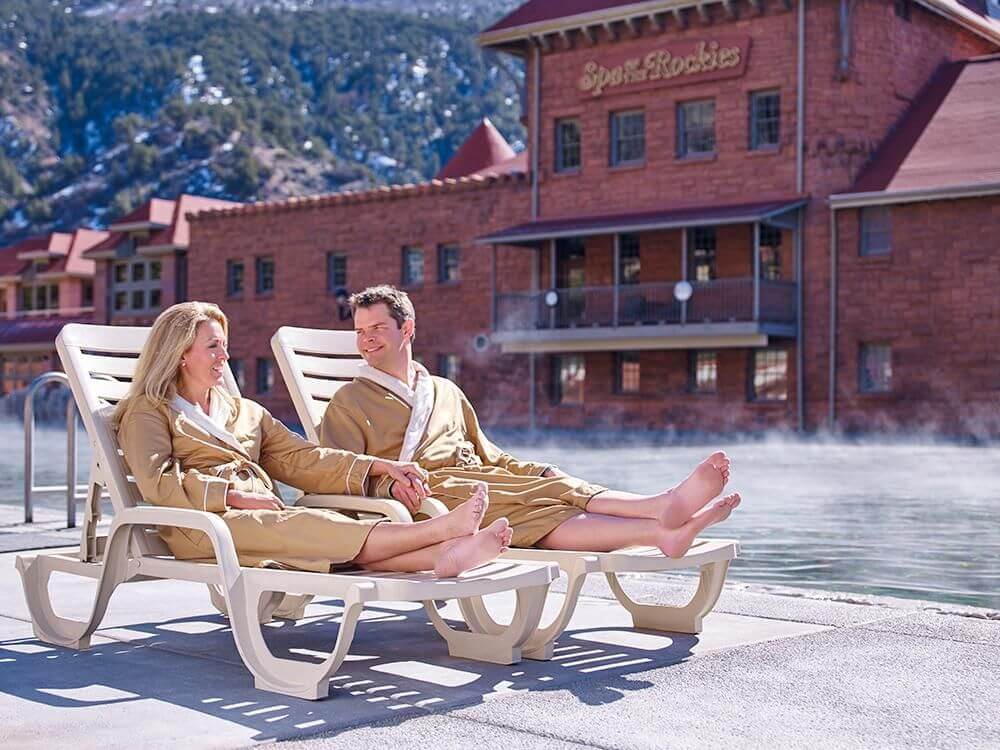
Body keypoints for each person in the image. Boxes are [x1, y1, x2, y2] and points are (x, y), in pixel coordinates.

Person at [318, 285, 741, 559]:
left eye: (377, 327)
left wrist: (536, 469)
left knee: (550, 486)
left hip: (477, 478)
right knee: (531, 502)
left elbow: (488, 453)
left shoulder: (443, 389)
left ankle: (661, 522)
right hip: (430, 494)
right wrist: (393, 484)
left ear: (406, 329)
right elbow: (339, 474)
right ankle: (659, 518)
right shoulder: (348, 401)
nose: (367, 339)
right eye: (360, 331)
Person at [115, 301, 512, 578]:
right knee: (307, 523)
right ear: (180, 353)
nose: (226, 356)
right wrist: (231, 496)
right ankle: (437, 532)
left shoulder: (244, 412)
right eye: (214, 346)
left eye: (224, 345)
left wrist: (377, 465)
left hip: (261, 519)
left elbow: (303, 458)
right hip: (202, 526)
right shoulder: (149, 410)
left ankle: (445, 555)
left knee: (312, 528)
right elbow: (157, 481)